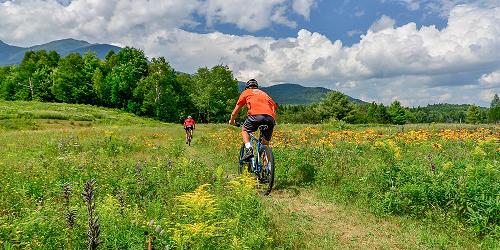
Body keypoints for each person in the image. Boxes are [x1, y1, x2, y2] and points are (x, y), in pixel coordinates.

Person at [229, 79, 278, 161]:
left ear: (247, 87)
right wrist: (272, 120)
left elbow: (236, 110)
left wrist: (232, 121)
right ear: (257, 87)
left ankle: (249, 150)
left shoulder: (246, 92)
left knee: (245, 130)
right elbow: (274, 107)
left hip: (255, 116)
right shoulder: (265, 94)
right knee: (265, 144)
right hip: (270, 118)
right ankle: (267, 169)